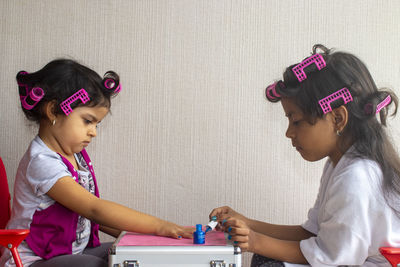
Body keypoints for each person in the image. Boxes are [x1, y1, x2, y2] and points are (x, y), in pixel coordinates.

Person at [210, 44, 400, 266]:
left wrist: (255, 240)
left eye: (296, 121)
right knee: (267, 257)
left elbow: (332, 258)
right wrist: (248, 225)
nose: (289, 133)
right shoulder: (339, 165)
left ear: (337, 118)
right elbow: (311, 234)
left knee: (269, 262)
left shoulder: (356, 177)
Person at [0, 59, 193, 267]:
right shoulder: (41, 162)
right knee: (96, 265)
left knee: (124, 254)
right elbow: (94, 209)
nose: (93, 132)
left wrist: (142, 238)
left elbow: (96, 218)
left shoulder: (76, 157)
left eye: (97, 125)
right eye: (87, 121)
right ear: (53, 111)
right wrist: (160, 226)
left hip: (70, 252)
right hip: (33, 260)